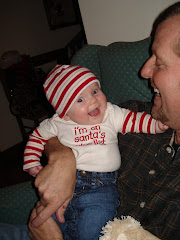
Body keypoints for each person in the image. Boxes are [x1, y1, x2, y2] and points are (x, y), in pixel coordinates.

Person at [0, 2, 180, 240]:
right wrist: (61, 157)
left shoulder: (116, 115)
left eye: (159, 61)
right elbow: (50, 132)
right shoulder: (132, 111)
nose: (144, 71)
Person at [23, 64, 166, 239]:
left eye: (95, 91)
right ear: (65, 112)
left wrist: (156, 124)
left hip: (101, 189)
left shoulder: (111, 114)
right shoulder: (58, 123)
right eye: (80, 100)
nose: (93, 100)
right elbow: (37, 136)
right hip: (67, 186)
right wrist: (32, 162)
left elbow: (134, 120)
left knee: (94, 228)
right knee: (48, 219)